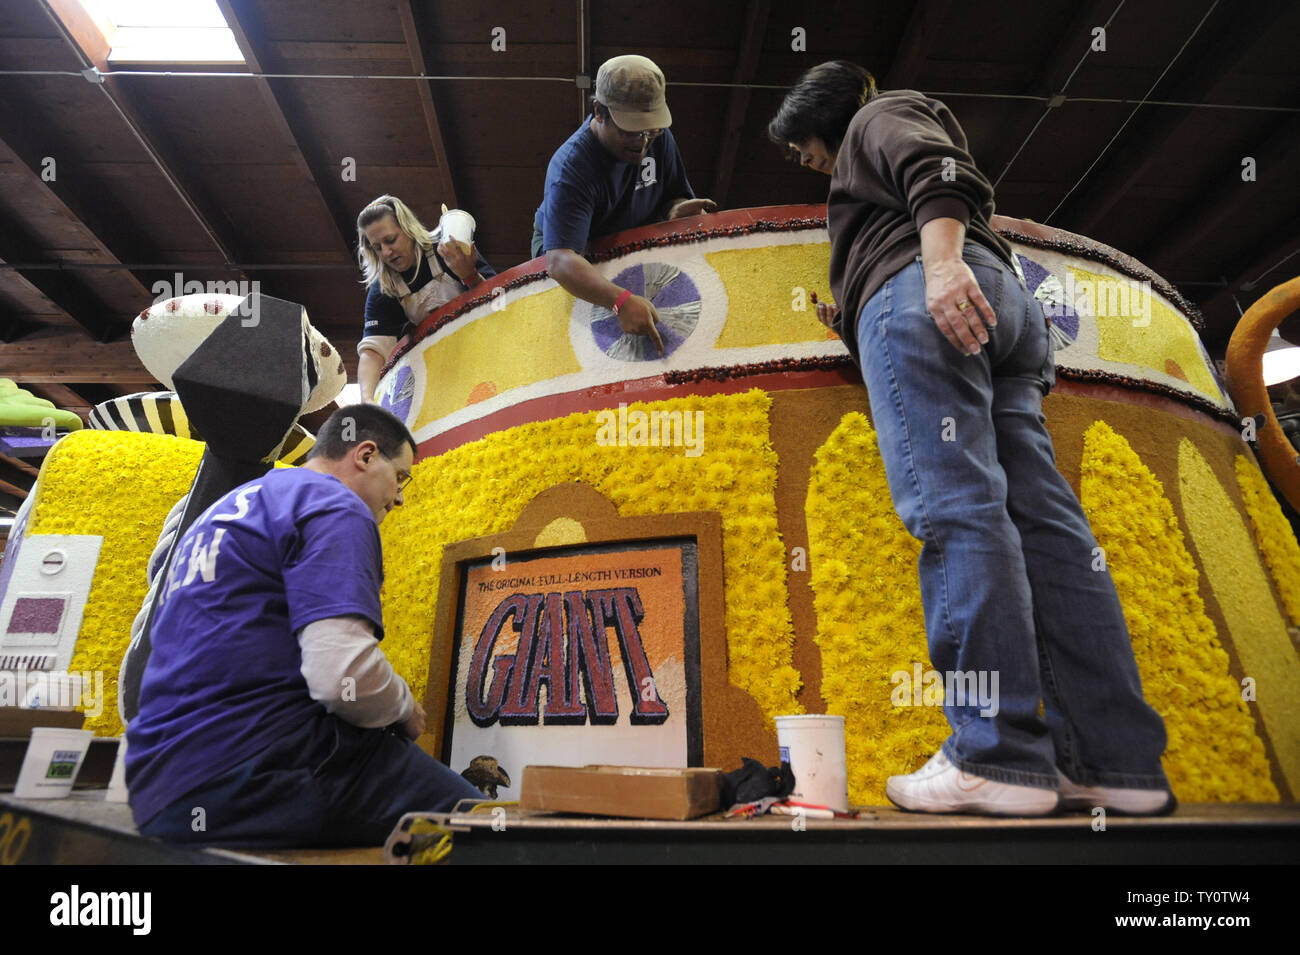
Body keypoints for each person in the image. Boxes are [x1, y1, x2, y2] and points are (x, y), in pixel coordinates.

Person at [769, 61, 1174, 816]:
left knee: (958, 514)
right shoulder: (882, 138)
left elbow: (938, 168)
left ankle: (997, 756)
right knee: (1046, 527)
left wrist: (938, 264)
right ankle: (1114, 763)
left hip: (936, 293)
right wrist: (862, 314)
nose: (809, 163)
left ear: (818, 119)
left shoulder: (875, 115)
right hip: (1003, 315)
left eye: (803, 149)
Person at [125, 405, 482, 847]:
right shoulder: (334, 505)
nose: (400, 497)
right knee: (488, 827)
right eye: (402, 477)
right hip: (254, 768)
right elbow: (343, 677)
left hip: (158, 786)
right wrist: (405, 708)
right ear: (366, 456)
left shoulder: (224, 511)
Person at [533, 54, 717, 355]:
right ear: (599, 112)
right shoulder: (571, 169)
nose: (642, 143)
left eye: (651, 131)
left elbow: (675, 194)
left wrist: (673, 211)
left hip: (635, 229)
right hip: (578, 249)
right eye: (630, 131)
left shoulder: (661, 139)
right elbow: (560, 260)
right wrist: (619, 300)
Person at [356, 195, 496, 402]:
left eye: (390, 240)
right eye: (377, 247)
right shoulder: (384, 288)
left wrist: (469, 274)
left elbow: (501, 300)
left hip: (489, 346)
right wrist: (366, 401)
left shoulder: (448, 248)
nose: (386, 252)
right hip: (444, 372)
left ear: (408, 229)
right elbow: (373, 351)